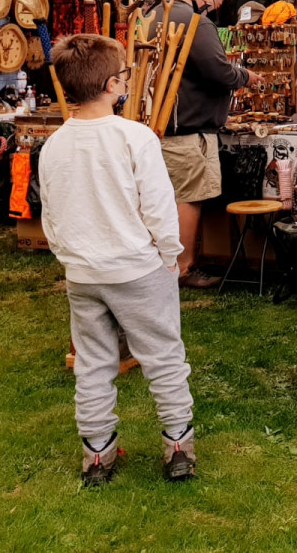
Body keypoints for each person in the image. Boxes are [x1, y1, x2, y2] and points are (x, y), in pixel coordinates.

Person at [38, 34, 197, 485]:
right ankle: (178, 447)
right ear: (113, 85)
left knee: (92, 364)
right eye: (124, 75)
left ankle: (97, 455)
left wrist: (68, 257)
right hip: (137, 268)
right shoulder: (135, 138)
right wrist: (170, 255)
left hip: (83, 272)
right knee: (163, 356)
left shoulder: (53, 147)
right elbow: (159, 207)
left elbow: (51, 214)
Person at [149, 0, 263, 289]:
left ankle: (162, 264)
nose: (217, 7)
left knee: (163, 199)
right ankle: (183, 267)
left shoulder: (154, 14)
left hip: (158, 123)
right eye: (219, 1)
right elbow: (218, 70)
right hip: (186, 126)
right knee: (188, 197)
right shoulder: (196, 22)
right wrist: (244, 76)